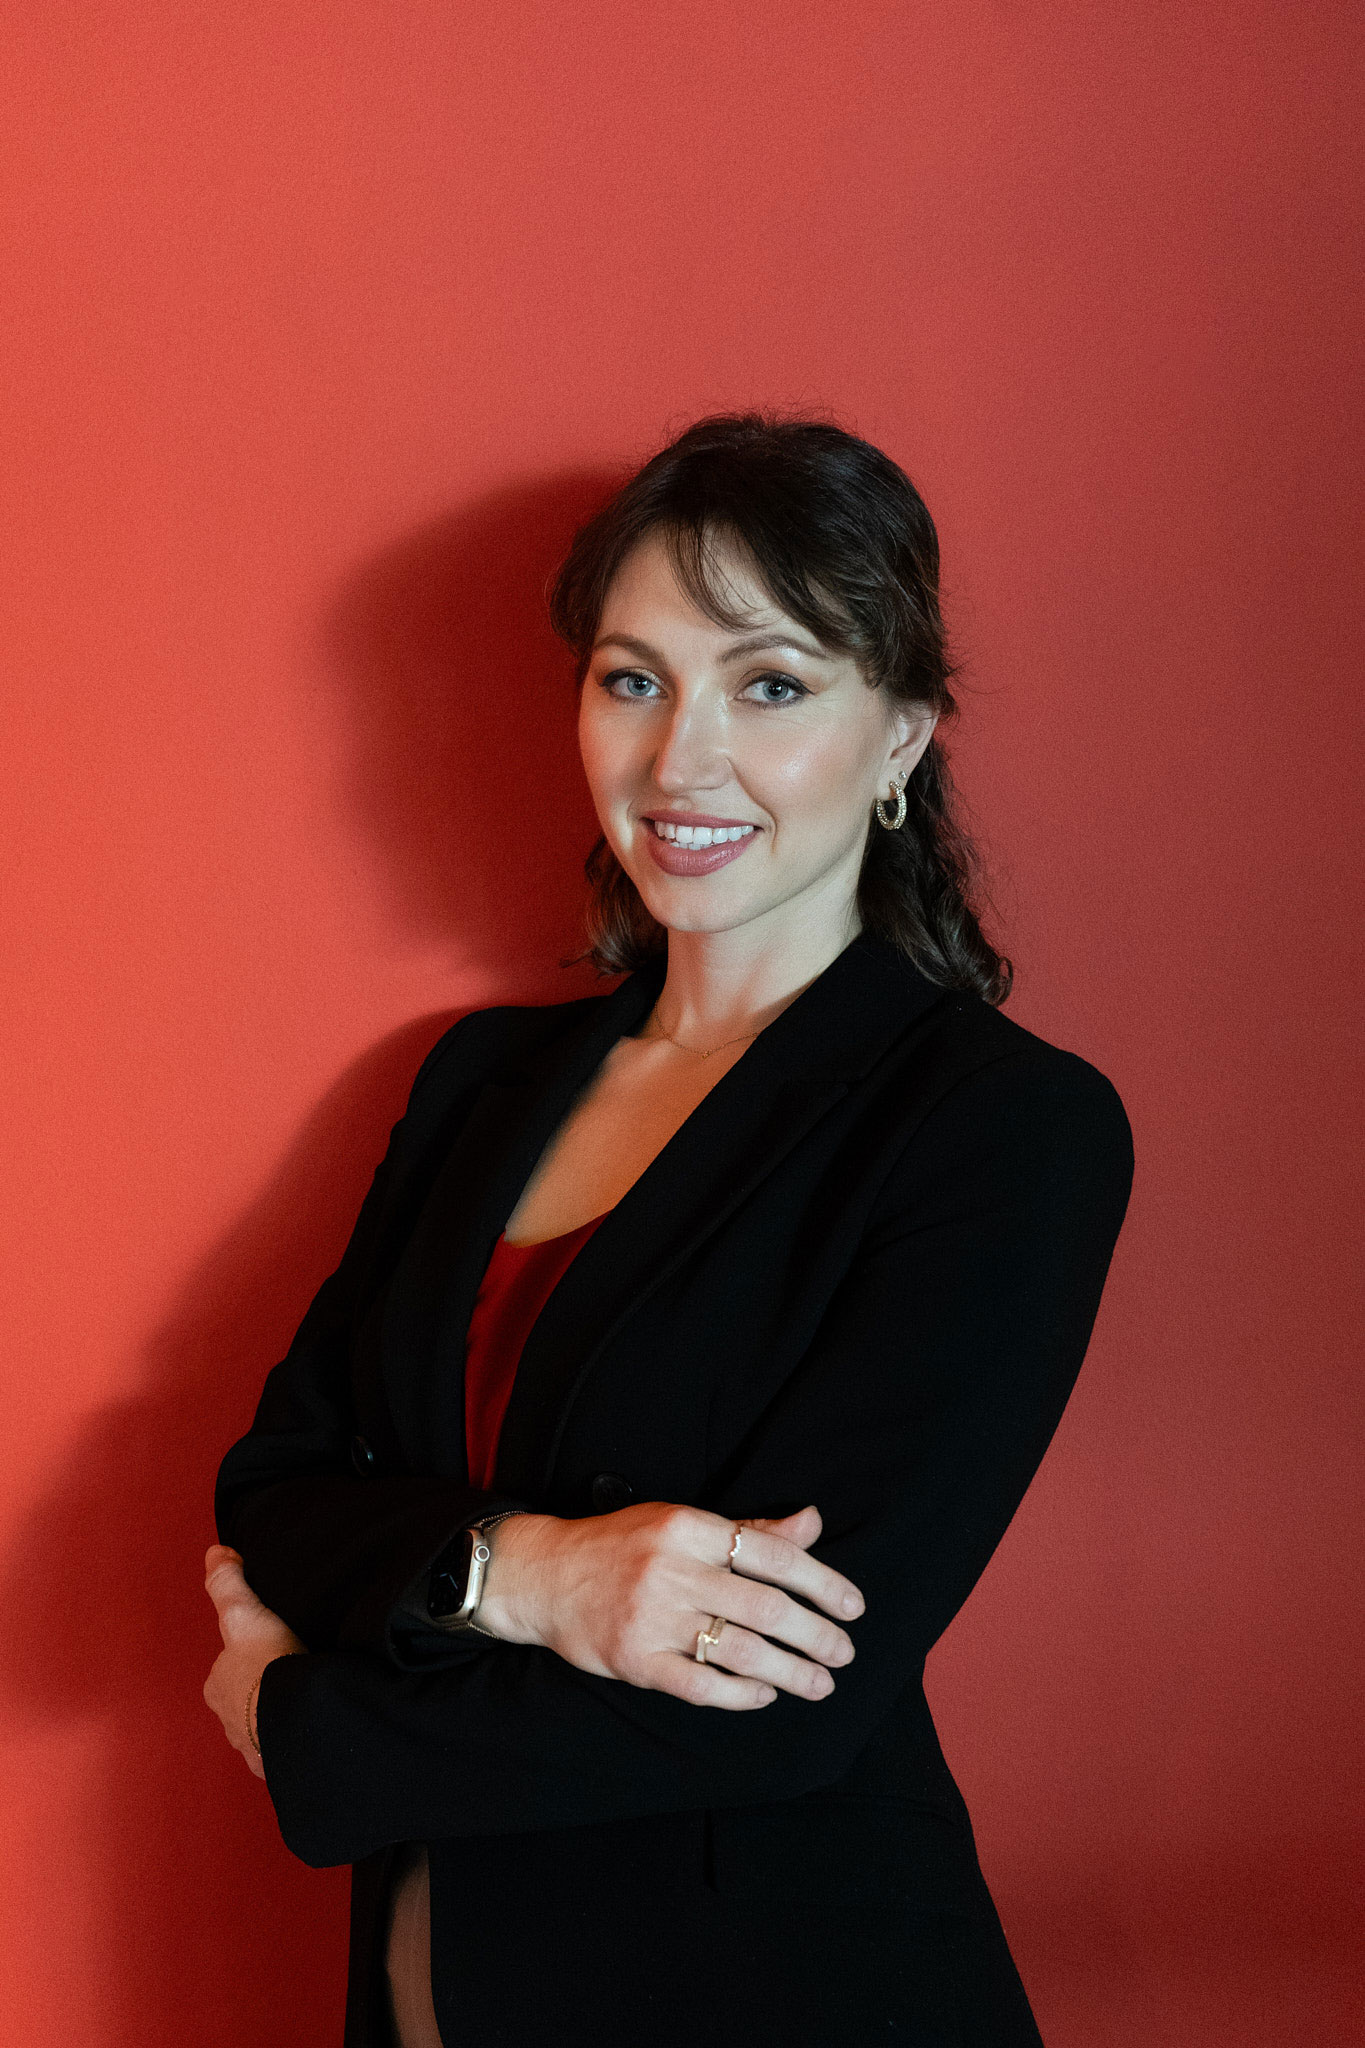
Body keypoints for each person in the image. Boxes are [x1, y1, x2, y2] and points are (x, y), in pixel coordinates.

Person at [203, 412, 1134, 2047]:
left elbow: (782, 1705)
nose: (678, 758)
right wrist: (533, 1578)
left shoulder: (1000, 1128)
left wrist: (306, 1724)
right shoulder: (480, 1081)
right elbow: (276, 1487)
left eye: (769, 685)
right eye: (632, 679)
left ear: (902, 732)